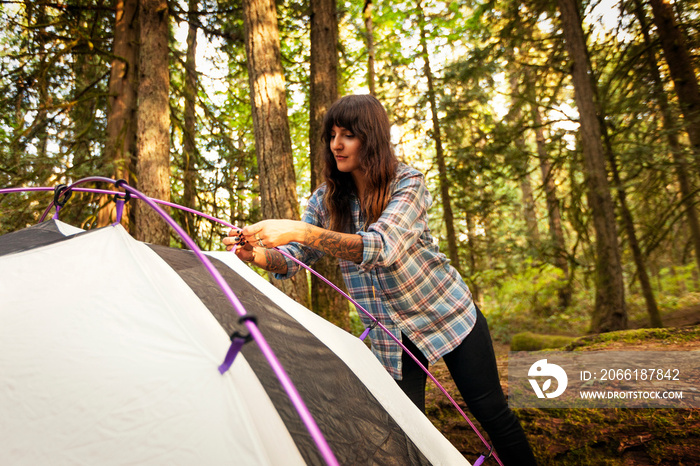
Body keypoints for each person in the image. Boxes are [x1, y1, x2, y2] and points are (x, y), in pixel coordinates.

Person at [223, 94, 537, 465]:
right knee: (407, 433)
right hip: (392, 337)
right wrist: (256, 255)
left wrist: (299, 230)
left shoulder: (408, 183)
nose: (336, 145)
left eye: (349, 135)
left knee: (493, 413)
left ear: (370, 138)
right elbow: (296, 260)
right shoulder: (326, 200)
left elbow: (381, 247)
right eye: (332, 135)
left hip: (448, 314)